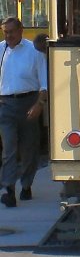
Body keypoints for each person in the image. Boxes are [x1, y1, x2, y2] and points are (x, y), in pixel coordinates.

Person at [0, 17, 48, 207]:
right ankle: (9, 190)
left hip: (29, 102)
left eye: (11, 31)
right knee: (9, 149)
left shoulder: (34, 52)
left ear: (21, 30)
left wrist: (40, 104)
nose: (8, 36)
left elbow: (44, 82)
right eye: (5, 32)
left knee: (29, 149)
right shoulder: (1, 49)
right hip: (6, 105)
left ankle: (26, 184)